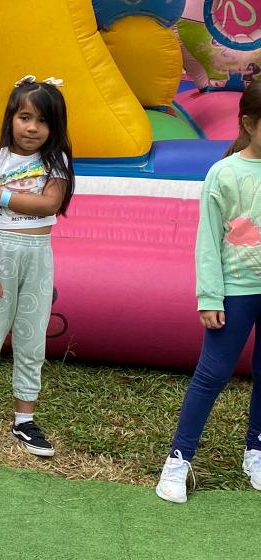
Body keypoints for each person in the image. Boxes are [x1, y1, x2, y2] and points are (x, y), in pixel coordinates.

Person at [156, 80, 261, 503]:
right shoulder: (225, 173)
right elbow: (208, 242)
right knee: (212, 375)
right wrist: (210, 297)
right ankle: (178, 460)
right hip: (235, 291)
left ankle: (256, 450)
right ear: (249, 123)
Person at [0, 75, 74, 459]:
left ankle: (24, 419)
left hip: (38, 255)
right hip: (0, 254)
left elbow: (49, 204)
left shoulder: (56, 161)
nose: (32, 128)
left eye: (42, 121)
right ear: (11, 117)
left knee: (32, 339)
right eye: (25, 117)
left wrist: (0, 195)